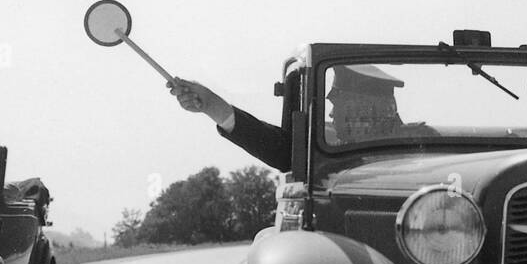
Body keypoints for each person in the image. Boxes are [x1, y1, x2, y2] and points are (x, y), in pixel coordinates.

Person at [169, 64, 432, 171]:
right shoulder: (325, 147)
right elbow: (273, 145)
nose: (331, 113)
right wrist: (210, 104)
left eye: (340, 105)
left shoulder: (424, 146)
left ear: (369, 109)